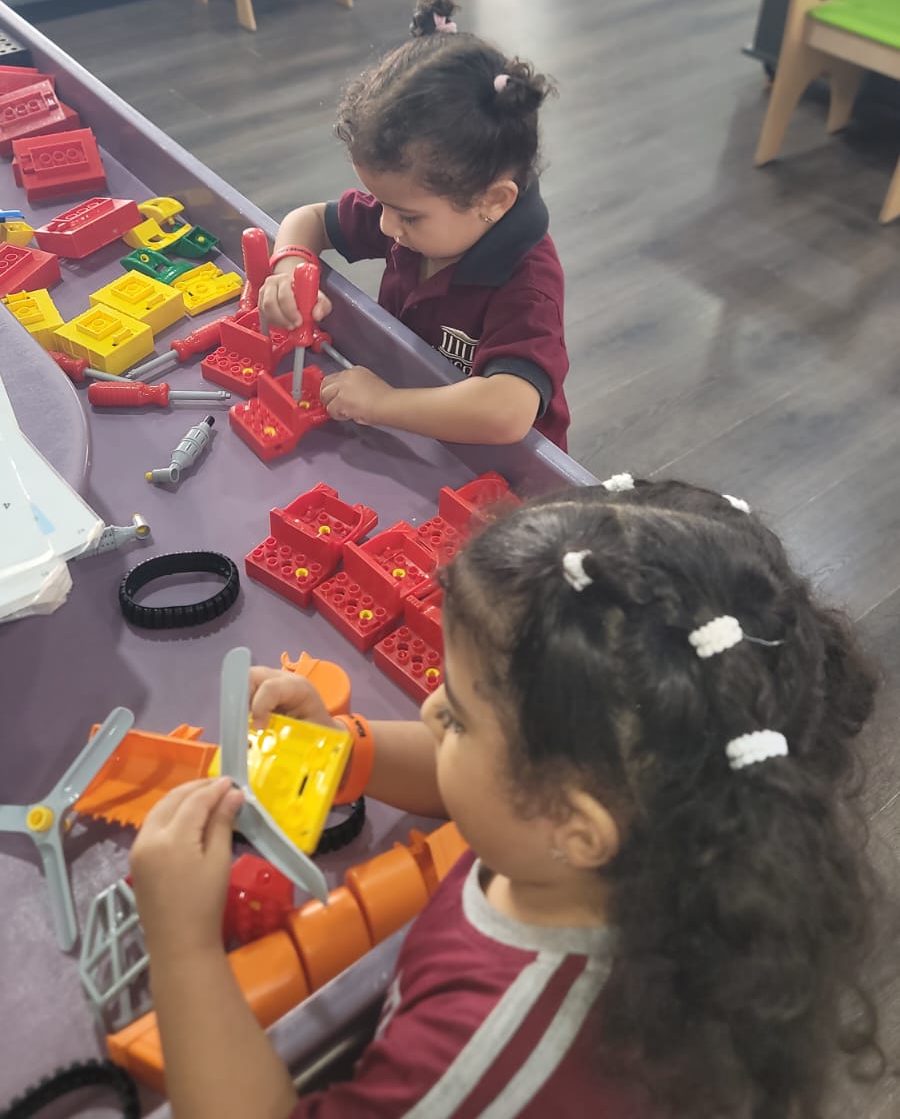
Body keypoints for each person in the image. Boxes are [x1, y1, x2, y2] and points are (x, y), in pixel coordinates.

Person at [131, 477, 881, 1119]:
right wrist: (343, 748)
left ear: (576, 825)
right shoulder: (635, 828)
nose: (429, 711)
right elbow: (476, 780)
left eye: (457, 714)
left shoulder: (483, 1049)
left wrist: (183, 948)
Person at [257, 0, 569, 448]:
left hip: (497, 463)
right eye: (380, 203)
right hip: (411, 426)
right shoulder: (414, 215)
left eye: (407, 216)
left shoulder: (527, 284)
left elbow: (506, 413)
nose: (385, 226)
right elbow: (308, 221)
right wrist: (288, 268)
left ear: (493, 201)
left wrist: (382, 403)